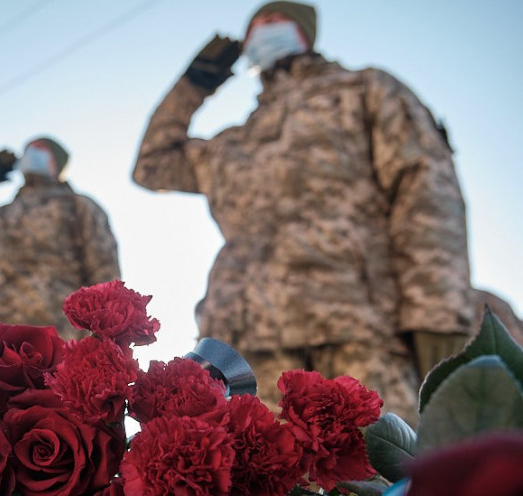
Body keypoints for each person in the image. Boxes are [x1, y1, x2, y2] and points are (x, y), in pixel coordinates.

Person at [133, 1, 477, 423]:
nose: (261, 31)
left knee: (376, 480)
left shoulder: (362, 89)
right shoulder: (232, 143)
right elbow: (150, 166)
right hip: (244, 354)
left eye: (273, 22)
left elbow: (425, 189)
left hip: (354, 334)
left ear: (303, 31)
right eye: (253, 27)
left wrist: (436, 316)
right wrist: (193, 85)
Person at [0, 136, 120, 340]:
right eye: (28, 149)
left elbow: (104, 276)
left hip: (54, 344)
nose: (31, 153)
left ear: (57, 163)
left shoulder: (77, 206)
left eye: (40, 149)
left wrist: (100, 346)